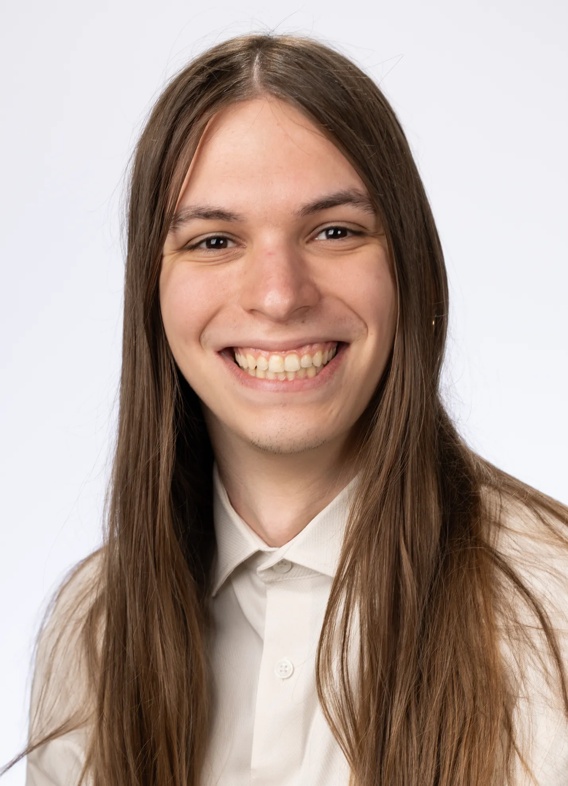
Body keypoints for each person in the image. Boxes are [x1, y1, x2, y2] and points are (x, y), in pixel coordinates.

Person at [8, 33, 568, 786]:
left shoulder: (554, 610)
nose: (278, 295)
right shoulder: (94, 630)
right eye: (214, 240)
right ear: (151, 291)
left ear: (409, 265)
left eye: (334, 231)